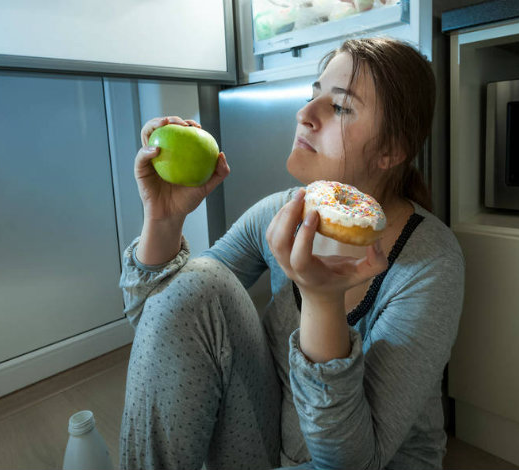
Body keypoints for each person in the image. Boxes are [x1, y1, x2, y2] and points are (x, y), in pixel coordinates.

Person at [119, 36, 465, 470]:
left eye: (339, 107)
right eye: (313, 95)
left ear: (392, 149)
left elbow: (351, 461)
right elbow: (164, 322)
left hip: (371, 460)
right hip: (272, 436)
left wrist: (323, 302)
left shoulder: (429, 263)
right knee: (198, 280)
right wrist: (164, 218)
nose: (304, 114)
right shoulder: (281, 211)